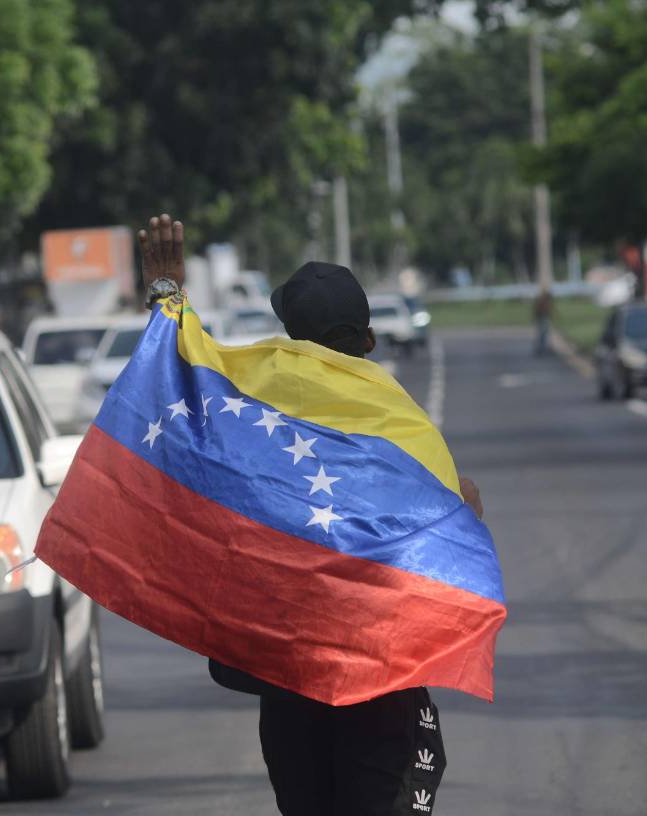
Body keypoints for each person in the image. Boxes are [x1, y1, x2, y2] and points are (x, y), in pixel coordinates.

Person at [137, 213, 485, 816]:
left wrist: (168, 294)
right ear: (370, 342)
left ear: (287, 338)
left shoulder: (252, 402)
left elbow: (175, 385)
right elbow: (460, 522)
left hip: (289, 684)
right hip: (382, 686)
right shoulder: (400, 419)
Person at [533, 288, 554, 357]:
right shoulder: (544, 302)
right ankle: (541, 349)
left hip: (542, 318)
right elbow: (548, 310)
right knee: (543, 334)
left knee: (542, 334)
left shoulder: (541, 301)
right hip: (542, 318)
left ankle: (541, 349)